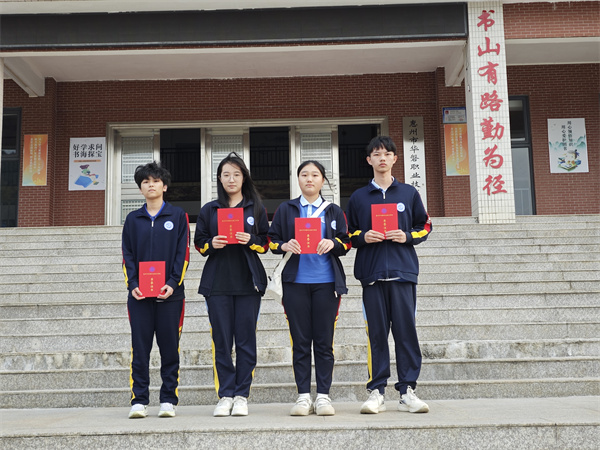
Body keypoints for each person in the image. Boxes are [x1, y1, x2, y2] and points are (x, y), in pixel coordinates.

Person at [346, 136, 432, 415]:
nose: (382, 158)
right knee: (376, 335)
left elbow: (425, 226)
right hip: (371, 275)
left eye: (386, 154)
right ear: (368, 160)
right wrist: (363, 237)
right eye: (376, 154)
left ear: (395, 158)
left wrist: (407, 235)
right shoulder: (358, 197)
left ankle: (407, 391)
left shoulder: (408, 193)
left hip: (403, 274)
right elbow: (348, 234)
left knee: (406, 334)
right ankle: (377, 391)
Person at [268, 160, 351, 416]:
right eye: (304, 174)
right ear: (298, 179)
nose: (309, 179)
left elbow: (347, 243)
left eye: (315, 175)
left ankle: (323, 396)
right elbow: (271, 240)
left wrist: (332, 243)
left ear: (323, 180)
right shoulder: (286, 209)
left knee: (324, 342)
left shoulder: (334, 210)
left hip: (326, 284)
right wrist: (284, 245)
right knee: (301, 341)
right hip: (295, 284)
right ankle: (303, 396)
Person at [194, 152, 269, 417]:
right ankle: (225, 395)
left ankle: (241, 395)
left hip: (249, 284)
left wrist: (251, 240)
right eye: (226, 174)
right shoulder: (209, 209)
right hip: (217, 285)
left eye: (236, 174)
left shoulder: (256, 208)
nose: (231, 179)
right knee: (222, 342)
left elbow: (266, 243)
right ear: (219, 179)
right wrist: (211, 244)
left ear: (244, 178)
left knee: (246, 342)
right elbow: (199, 243)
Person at [121, 161, 190, 419]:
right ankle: (139, 400)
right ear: (140, 188)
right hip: (139, 296)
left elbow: (183, 253)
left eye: (156, 181)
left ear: (165, 186)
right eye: (146, 182)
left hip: (171, 296)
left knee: (170, 349)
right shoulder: (133, 219)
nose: (151, 185)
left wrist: (173, 283)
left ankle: (168, 400)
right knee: (140, 350)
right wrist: (133, 284)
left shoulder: (178, 216)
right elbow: (127, 254)